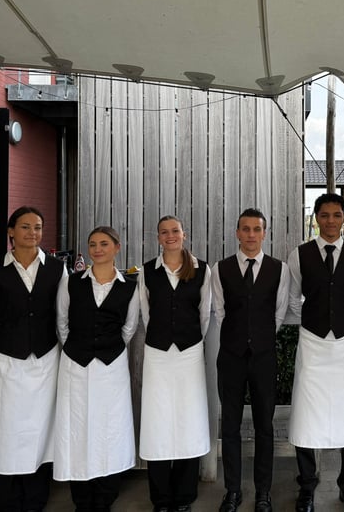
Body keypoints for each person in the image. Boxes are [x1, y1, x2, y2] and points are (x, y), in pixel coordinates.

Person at [0, 206, 67, 512]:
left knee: (41, 429)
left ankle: (36, 498)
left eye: (37, 227)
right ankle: (8, 499)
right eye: (25, 227)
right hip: (6, 363)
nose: (33, 232)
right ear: (11, 232)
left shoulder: (57, 269)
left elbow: (63, 316)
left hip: (46, 359)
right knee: (5, 428)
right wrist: (6, 343)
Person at [287, 193, 344, 512]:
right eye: (324, 215)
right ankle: (307, 488)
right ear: (316, 219)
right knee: (306, 415)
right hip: (312, 343)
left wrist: (339, 323)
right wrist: (315, 319)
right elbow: (293, 298)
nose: (330, 221)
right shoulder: (299, 255)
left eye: (337, 215)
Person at [53, 226, 140, 512]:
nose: (97, 249)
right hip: (75, 365)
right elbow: (62, 322)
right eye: (92, 244)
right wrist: (79, 347)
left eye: (104, 244)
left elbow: (129, 327)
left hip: (111, 367)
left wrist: (107, 347)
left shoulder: (130, 286)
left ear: (117, 247)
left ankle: (105, 495)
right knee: (77, 427)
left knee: (110, 428)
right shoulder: (71, 282)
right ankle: (82, 496)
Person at [211, 208, 290, 512]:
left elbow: (278, 313)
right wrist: (238, 336)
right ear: (237, 233)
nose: (251, 235)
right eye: (245, 229)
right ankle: (232, 491)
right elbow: (220, 311)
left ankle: (263, 492)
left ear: (264, 233)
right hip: (230, 357)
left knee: (264, 427)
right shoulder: (221, 269)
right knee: (230, 426)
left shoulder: (279, 269)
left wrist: (258, 336)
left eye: (257, 229)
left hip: (263, 357)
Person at [138, 215, 212, 512]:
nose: (170, 236)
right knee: (157, 422)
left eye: (175, 231)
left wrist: (187, 339)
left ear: (184, 234)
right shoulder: (147, 271)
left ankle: (184, 496)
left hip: (189, 354)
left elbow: (204, 314)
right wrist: (163, 337)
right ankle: (160, 497)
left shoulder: (202, 269)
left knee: (188, 420)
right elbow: (146, 313)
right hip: (157, 355)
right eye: (164, 232)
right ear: (158, 237)